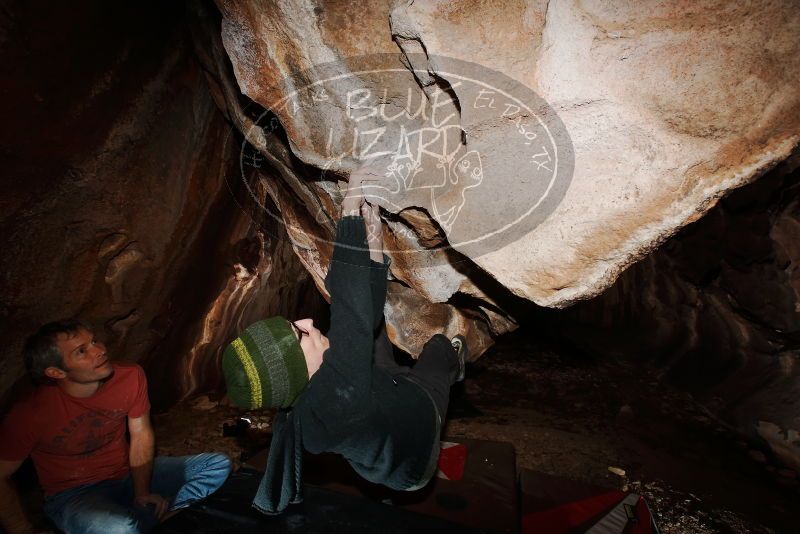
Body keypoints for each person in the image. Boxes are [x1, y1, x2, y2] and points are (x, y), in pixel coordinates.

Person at [221, 165, 468, 514]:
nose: (308, 321)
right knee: (439, 349)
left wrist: (374, 248)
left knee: (373, 335)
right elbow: (350, 312)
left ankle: (398, 383)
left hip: (380, 401)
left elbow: (361, 312)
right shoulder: (332, 404)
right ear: (294, 370)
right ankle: (451, 364)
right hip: (414, 452)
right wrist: (349, 212)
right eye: (301, 333)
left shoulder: (317, 388)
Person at [0, 319, 232, 534]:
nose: (99, 350)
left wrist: (142, 492)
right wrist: (23, 530)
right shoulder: (31, 414)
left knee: (216, 466)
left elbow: (141, 434)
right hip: (75, 494)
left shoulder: (129, 376)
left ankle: (152, 517)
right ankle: (135, 521)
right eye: (82, 351)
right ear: (56, 372)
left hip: (127, 474)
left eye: (94, 341)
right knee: (120, 528)